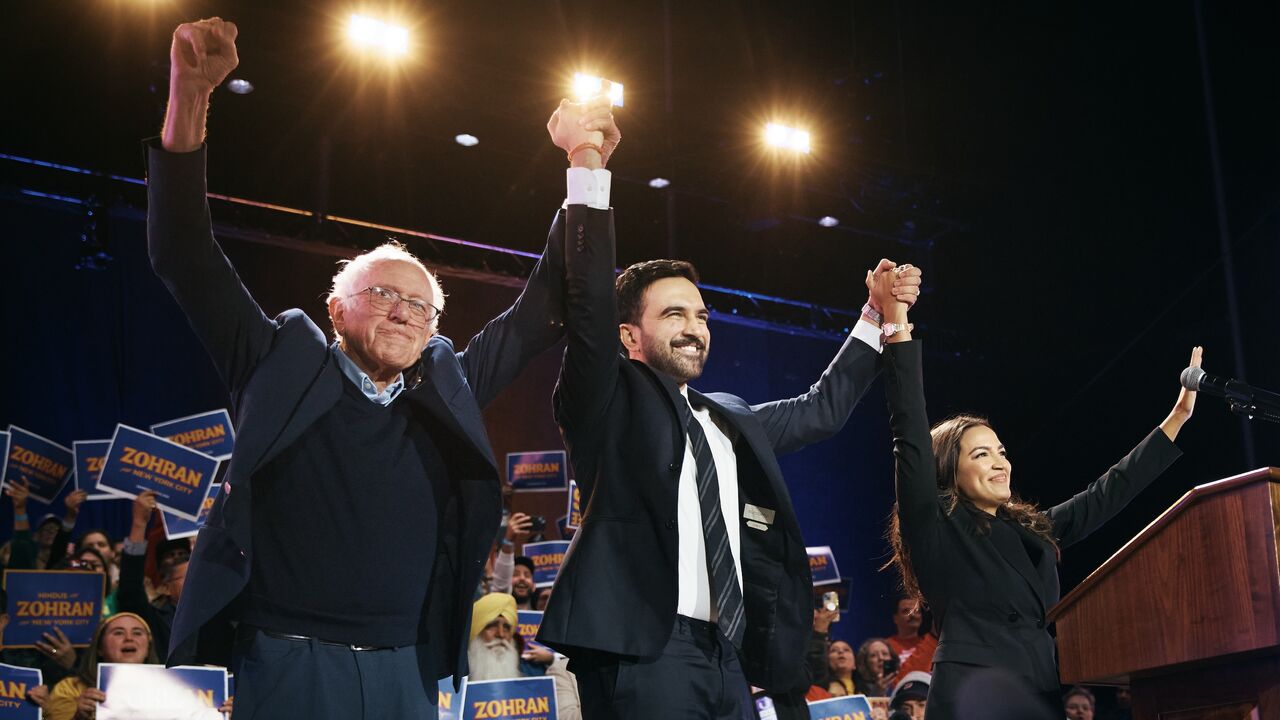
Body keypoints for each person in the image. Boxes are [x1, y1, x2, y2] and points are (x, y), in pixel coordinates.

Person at [150, 18, 589, 718]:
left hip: (406, 668)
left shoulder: (449, 388)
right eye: (382, 293)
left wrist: (585, 162)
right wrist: (189, 96)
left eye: (421, 304)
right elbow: (184, 254)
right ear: (336, 309)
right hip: (285, 660)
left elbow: (539, 309)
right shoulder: (278, 360)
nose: (404, 311)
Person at [535, 92, 923, 717]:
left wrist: (875, 317)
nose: (695, 327)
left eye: (701, 315)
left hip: (729, 657)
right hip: (640, 650)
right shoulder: (605, 398)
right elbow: (585, 303)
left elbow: (821, 409)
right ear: (628, 335)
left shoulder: (729, 417)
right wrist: (587, 163)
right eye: (673, 314)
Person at [875, 266, 1199, 719]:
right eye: (981, 455)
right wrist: (896, 319)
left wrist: (1176, 420)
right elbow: (909, 426)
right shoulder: (934, 522)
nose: (1000, 462)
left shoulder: (1032, 530)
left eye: (1001, 451)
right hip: (972, 693)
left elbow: (1105, 494)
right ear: (947, 470)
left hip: (1038, 690)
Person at [45, 613, 161, 720]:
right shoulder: (69, 688)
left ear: (148, 649)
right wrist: (78, 717)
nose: (129, 638)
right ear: (100, 648)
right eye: (118, 633)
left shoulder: (169, 688)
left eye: (137, 633)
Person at [116, 490, 181, 662]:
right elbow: (131, 589)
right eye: (188, 579)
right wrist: (139, 524)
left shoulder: (222, 618)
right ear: (167, 588)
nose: (198, 583)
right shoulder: (155, 623)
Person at [886, 596, 936, 684]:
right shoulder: (885, 647)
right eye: (906, 611)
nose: (912, 615)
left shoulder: (933, 644)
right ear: (895, 618)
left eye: (917, 611)